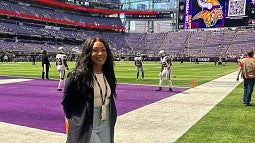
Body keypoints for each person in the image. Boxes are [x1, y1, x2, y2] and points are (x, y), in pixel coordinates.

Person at [62, 37, 117, 143]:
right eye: (95, 50)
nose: (100, 54)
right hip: (86, 123)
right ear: (88, 53)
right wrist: (74, 121)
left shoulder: (108, 74)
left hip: (106, 121)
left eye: (103, 50)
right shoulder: (76, 76)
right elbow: (66, 102)